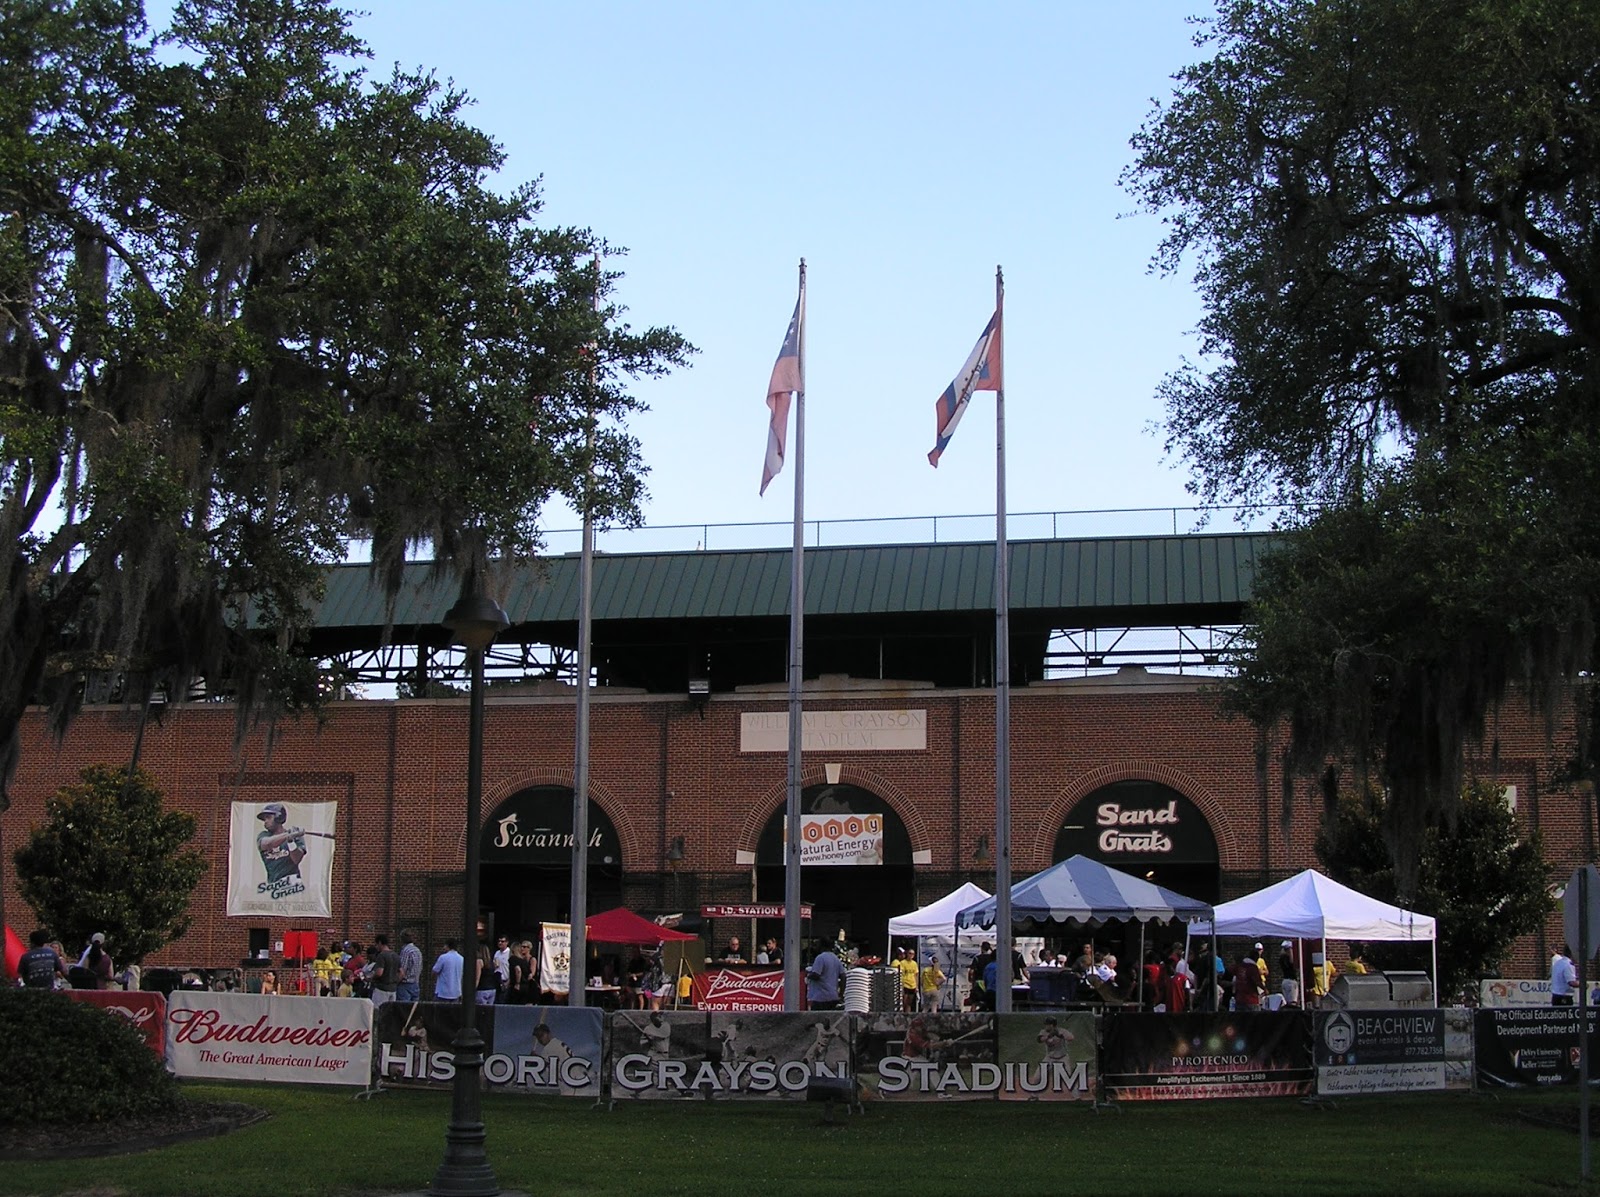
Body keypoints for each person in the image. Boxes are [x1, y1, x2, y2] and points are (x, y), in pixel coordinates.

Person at [255, 802, 306, 882]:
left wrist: (290, 841)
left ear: (279, 817)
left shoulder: (294, 836)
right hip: (273, 885)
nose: (265, 821)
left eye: (268, 817)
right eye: (264, 819)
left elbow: (296, 859)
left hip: (293, 884)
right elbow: (267, 844)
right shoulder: (264, 835)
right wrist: (288, 835)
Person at [805, 940, 844, 1010]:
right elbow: (843, 976)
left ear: (821, 946)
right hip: (833, 997)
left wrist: (809, 975)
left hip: (820, 998)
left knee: (818, 1019)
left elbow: (816, 975)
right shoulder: (835, 958)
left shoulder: (820, 958)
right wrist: (841, 994)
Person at [368, 934, 401, 1007]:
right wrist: (395, 981)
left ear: (380, 943)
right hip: (393, 989)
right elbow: (402, 972)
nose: (376, 947)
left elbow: (379, 973)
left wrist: (371, 978)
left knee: (378, 1010)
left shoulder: (382, 955)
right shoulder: (396, 955)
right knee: (390, 1013)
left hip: (381, 989)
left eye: (376, 944)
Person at [396, 931, 423, 1003]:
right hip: (415, 983)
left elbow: (402, 970)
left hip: (405, 984)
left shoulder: (405, 951)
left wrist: (396, 982)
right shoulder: (417, 950)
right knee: (414, 1009)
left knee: (404, 1010)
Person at [894, 947, 919, 1011]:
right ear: (907, 954)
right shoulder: (903, 962)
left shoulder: (914, 963)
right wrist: (901, 985)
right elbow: (901, 974)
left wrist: (916, 986)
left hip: (912, 984)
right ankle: (903, 1014)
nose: (911, 955)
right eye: (910, 953)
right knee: (904, 1001)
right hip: (905, 984)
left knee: (909, 1002)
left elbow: (916, 975)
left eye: (913, 954)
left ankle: (908, 1015)